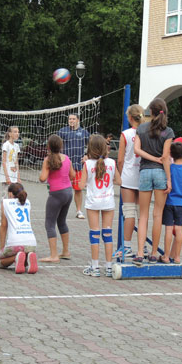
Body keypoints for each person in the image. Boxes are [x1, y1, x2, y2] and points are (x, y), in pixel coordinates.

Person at [133, 98, 174, 266]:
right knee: (158, 214)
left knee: (143, 215)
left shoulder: (141, 128)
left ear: (150, 111)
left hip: (144, 172)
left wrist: (151, 158)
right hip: (160, 174)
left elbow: (137, 150)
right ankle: (154, 252)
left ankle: (140, 252)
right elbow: (165, 158)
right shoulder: (168, 131)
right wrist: (169, 179)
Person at [79, 135, 121, 277]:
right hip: (108, 200)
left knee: (94, 233)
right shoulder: (112, 163)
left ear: (90, 149)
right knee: (108, 234)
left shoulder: (88, 164)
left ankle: (95, 267)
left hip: (93, 201)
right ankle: (109, 267)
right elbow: (119, 180)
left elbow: (80, 185)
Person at [39, 135, 75, 263]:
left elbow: (43, 178)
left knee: (49, 224)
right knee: (62, 221)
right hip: (68, 192)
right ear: (61, 146)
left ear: (48, 147)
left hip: (56, 193)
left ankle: (53, 255)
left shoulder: (48, 160)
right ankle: (65, 251)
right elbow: (73, 175)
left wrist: (45, 173)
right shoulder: (67, 158)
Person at [115, 104, 143, 258]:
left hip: (128, 175)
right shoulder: (147, 132)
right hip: (143, 174)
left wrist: (120, 175)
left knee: (129, 212)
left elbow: (120, 160)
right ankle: (143, 246)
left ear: (130, 118)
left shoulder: (125, 134)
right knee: (142, 213)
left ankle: (126, 247)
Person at [0, 182, 38, 274]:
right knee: (23, 258)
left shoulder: (6, 202)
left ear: (10, 193)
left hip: (15, 243)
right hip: (31, 243)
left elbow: (3, 225)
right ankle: (28, 255)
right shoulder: (28, 202)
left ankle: (16, 257)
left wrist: (1, 248)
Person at [161, 141, 182, 264]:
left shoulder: (169, 169)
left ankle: (166, 256)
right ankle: (177, 257)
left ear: (171, 154)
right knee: (179, 229)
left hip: (169, 202)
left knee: (168, 229)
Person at [58, 113, 89, 219]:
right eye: (70, 119)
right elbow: (57, 145)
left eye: (73, 119)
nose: (71, 120)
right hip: (65, 165)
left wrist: (87, 155)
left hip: (78, 165)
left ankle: (79, 210)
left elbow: (91, 145)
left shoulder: (84, 132)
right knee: (63, 189)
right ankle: (60, 210)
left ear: (78, 120)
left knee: (78, 189)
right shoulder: (62, 131)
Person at [0, 126, 20, 197]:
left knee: (13, 196)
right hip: (7, 175)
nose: (17, 133)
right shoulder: (6, 145)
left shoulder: (17, 146)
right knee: (5, 197)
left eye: (18, 132)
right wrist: (7, 177)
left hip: (14, 175)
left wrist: (18, 177)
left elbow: (16, 162)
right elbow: (4, 162)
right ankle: (3, 208)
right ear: (10, 134)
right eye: (15, 132)